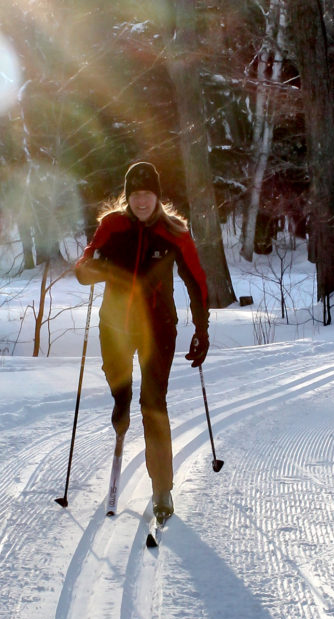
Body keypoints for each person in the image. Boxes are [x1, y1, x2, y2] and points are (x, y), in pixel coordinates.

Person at [74, 162, 209, 521]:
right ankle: (121, 406)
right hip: (115, 327)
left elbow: (196, 279)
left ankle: (162, 489)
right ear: (127, 196)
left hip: (158, 329)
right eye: (135, 195)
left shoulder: (174, 231)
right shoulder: (111, 226)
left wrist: (202, 327)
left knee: (154, 403)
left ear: (157, 196)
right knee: (121, 389)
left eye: (148, 194)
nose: (142, 201)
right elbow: (84, 266)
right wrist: (90, 269)